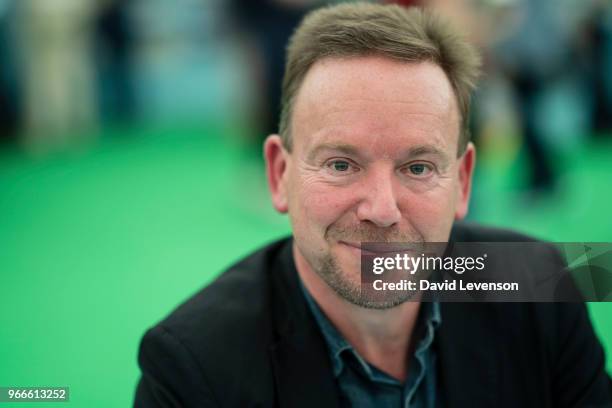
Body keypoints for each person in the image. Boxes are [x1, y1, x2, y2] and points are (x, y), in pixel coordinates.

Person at [134, 3, 612, 407]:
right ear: (280, 175)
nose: (382, 210)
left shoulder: (544, 284)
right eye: (342, 165)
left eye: (418, 168)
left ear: (463, 183)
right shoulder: (192, 369)